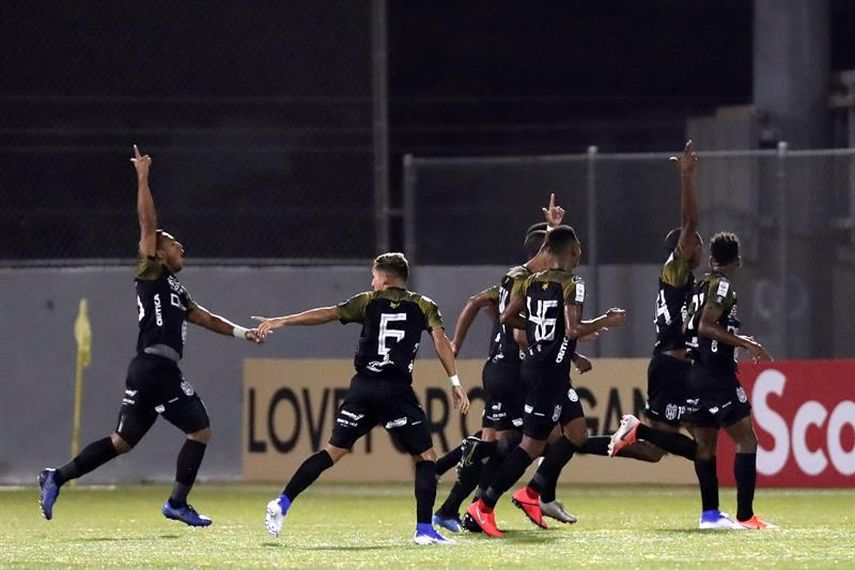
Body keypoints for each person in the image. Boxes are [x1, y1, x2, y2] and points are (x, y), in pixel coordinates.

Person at [38, 145, 262, 527]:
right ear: (158, 252)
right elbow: (147, 226)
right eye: (174, 244)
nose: (181, 247)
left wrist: (245, 334)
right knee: (201, 429)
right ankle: (177, 503)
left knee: (121, 442)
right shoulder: (151, 272)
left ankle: (55, 476)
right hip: (157, 368)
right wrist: (142, 177)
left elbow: (205, 318)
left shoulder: (174, 288)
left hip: (146, 369)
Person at [254, 252, 471, 545]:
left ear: (384, 279)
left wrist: (282, 321)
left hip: (363, 388)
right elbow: (440, 342)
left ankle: (282, 502)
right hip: (395, 391)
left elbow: (327, 313)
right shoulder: (424, 305)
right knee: (426, 457)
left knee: (332, 451)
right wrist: (455, 381)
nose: (372, 281)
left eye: (374, 276)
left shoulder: (367, 301)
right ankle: (424, 530)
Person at [466, 226, 627, 537]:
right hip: (545, 374)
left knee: (577, 432)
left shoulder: (531, 282)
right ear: (574, 251)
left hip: (547, 369)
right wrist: (607, 320)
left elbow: (507, 317)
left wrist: (540, 330)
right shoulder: (573, 284)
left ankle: (533, 492)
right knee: (529, 446)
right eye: (579, 247)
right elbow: (573, 330)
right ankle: (483, 506)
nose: (581, 252)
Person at [608, 140, 702, 462]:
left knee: (653, 453)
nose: (698, 248)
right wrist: (686, 178)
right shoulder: (674, 271)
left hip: (671, 364)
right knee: (703, 443)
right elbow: (690, 223)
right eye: (695, 245)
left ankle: (577, 444)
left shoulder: (679, 278)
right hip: (672, 367)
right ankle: (636, 428)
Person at [682, 232, 775, 529]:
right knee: (747, 440)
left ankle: (709, 515)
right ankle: (745, 516)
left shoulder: (700, 285)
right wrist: (742, 343)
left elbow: (689, 326)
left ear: (711, 260)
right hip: (717, 375)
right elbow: (705, 326)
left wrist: (734, 340)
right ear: (739, 260)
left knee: (705, 446)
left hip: (695, 372)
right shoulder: (721, 285)